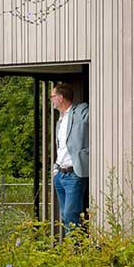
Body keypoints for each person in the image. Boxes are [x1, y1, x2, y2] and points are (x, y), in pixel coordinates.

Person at [51, 82, 89, 233]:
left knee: (71, 214)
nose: (51, 100)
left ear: (61, 98)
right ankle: (71, 251)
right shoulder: (59, 121)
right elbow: (60, 148)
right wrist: (55, 170)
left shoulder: (79, 112)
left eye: (52, 96)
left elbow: (92, 114)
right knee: (65, 216)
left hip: (74, 174)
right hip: (60, 174)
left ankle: (76, 251)